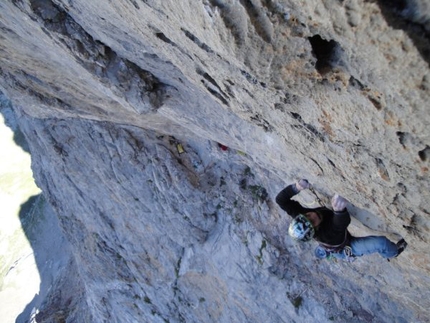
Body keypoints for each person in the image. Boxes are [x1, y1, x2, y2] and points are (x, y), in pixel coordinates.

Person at [276, 179, 407, 261]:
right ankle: (393, 253)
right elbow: (340, 225)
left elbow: (280, 200)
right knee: (381, 243)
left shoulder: (302, 219)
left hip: (335, 241)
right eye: (313, 222)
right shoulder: (326, 235)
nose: (313, 216)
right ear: (316, 229)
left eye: (308, 216)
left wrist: (296, 187)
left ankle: (324, 252)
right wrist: (338, 211)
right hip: (345, 247)